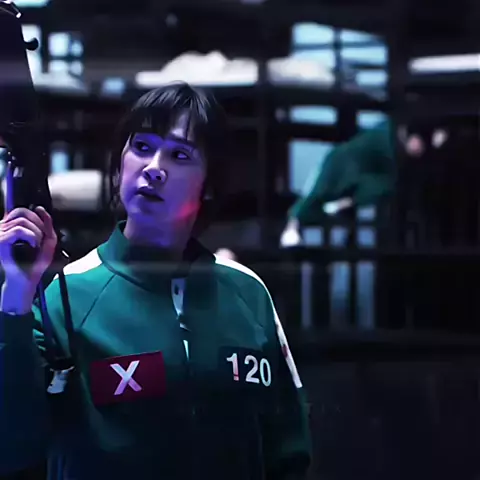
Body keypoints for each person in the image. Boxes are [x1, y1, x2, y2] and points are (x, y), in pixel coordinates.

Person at [0, 82, 311, 480]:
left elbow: (289, 448)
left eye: (180, 154)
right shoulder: (67, 297)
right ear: (119, 165)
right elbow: (12, 447)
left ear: (210, 184)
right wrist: (16, 297)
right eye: (142, 147)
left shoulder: (248, 292)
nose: (154, 167)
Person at [280, 119, 447, 247]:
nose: (420, 150)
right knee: (320, 193)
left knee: (384, 187)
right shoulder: (387, 138)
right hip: (346, 166)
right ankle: (293, 226)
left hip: (363, 175)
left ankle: (326, 211)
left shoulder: (392, 143)